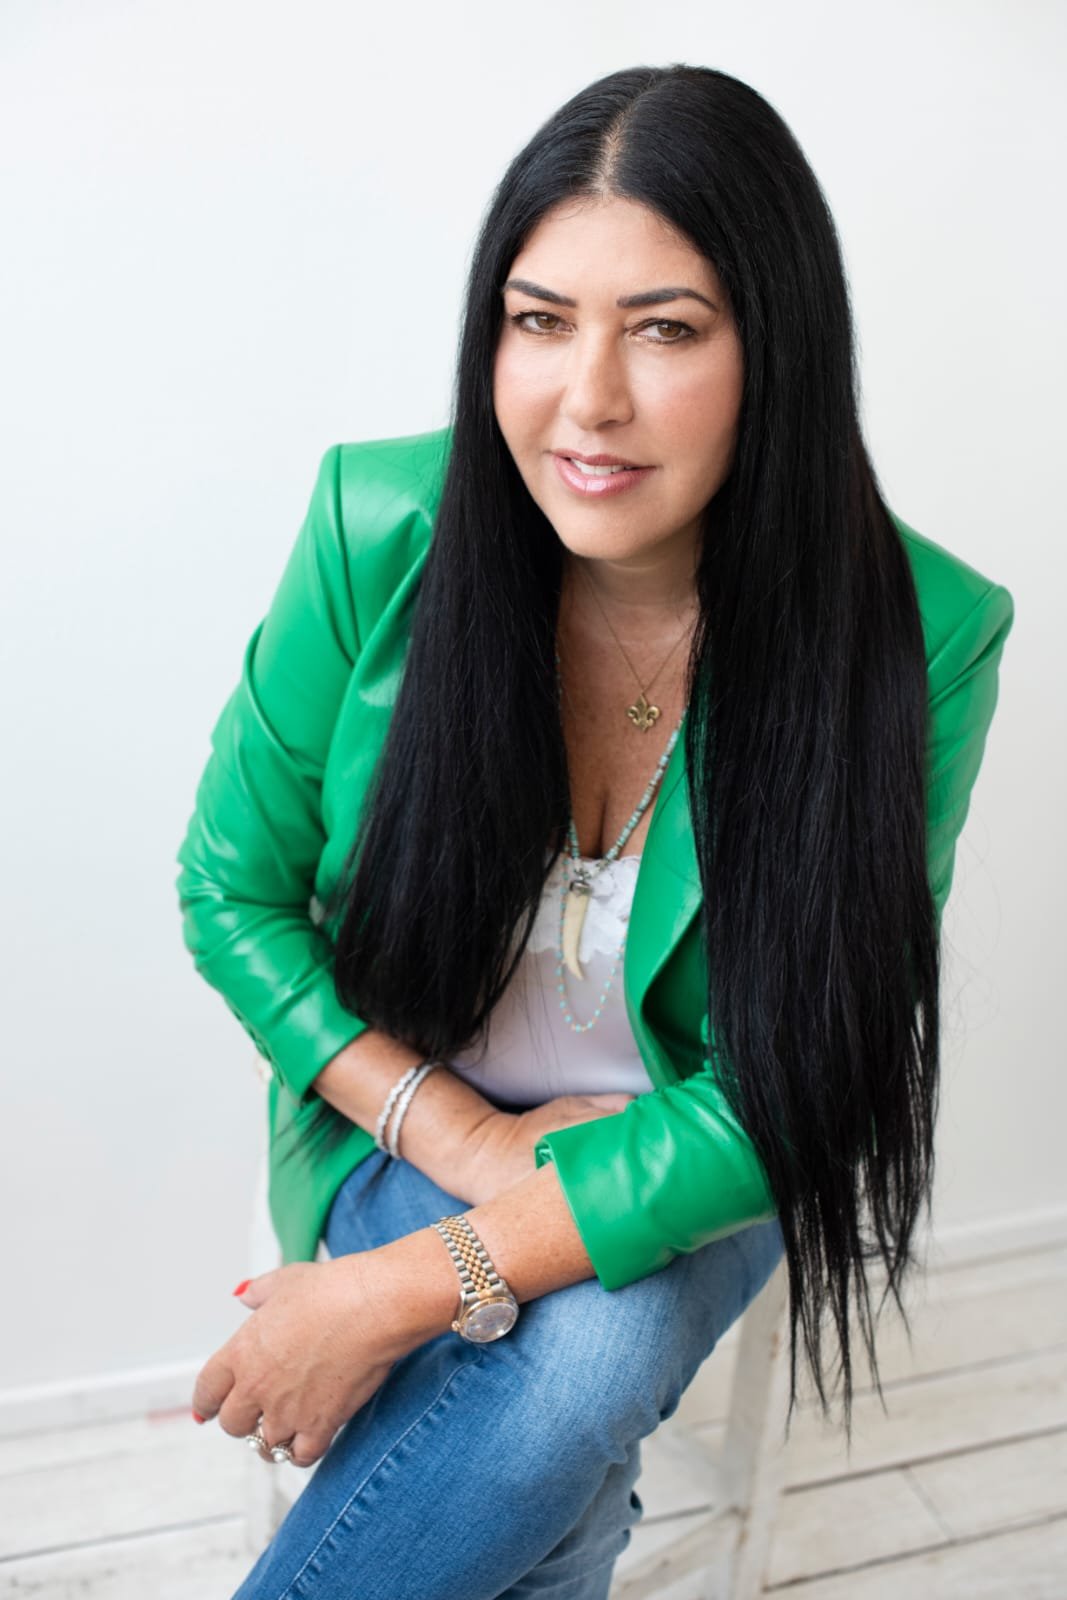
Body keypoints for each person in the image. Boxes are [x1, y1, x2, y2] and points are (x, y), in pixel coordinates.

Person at [175, 62, 1015, 1600]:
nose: (589, 399)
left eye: (667, 329)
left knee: (581, 1366)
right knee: (576, 1399)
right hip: (396, 1100)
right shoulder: (379, 525)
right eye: (541, 319)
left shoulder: (923, 632)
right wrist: (465, 1139)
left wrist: (389, 1295)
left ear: (779, 347)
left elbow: (793, 1084)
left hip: (699, 1149)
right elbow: (231, 892)